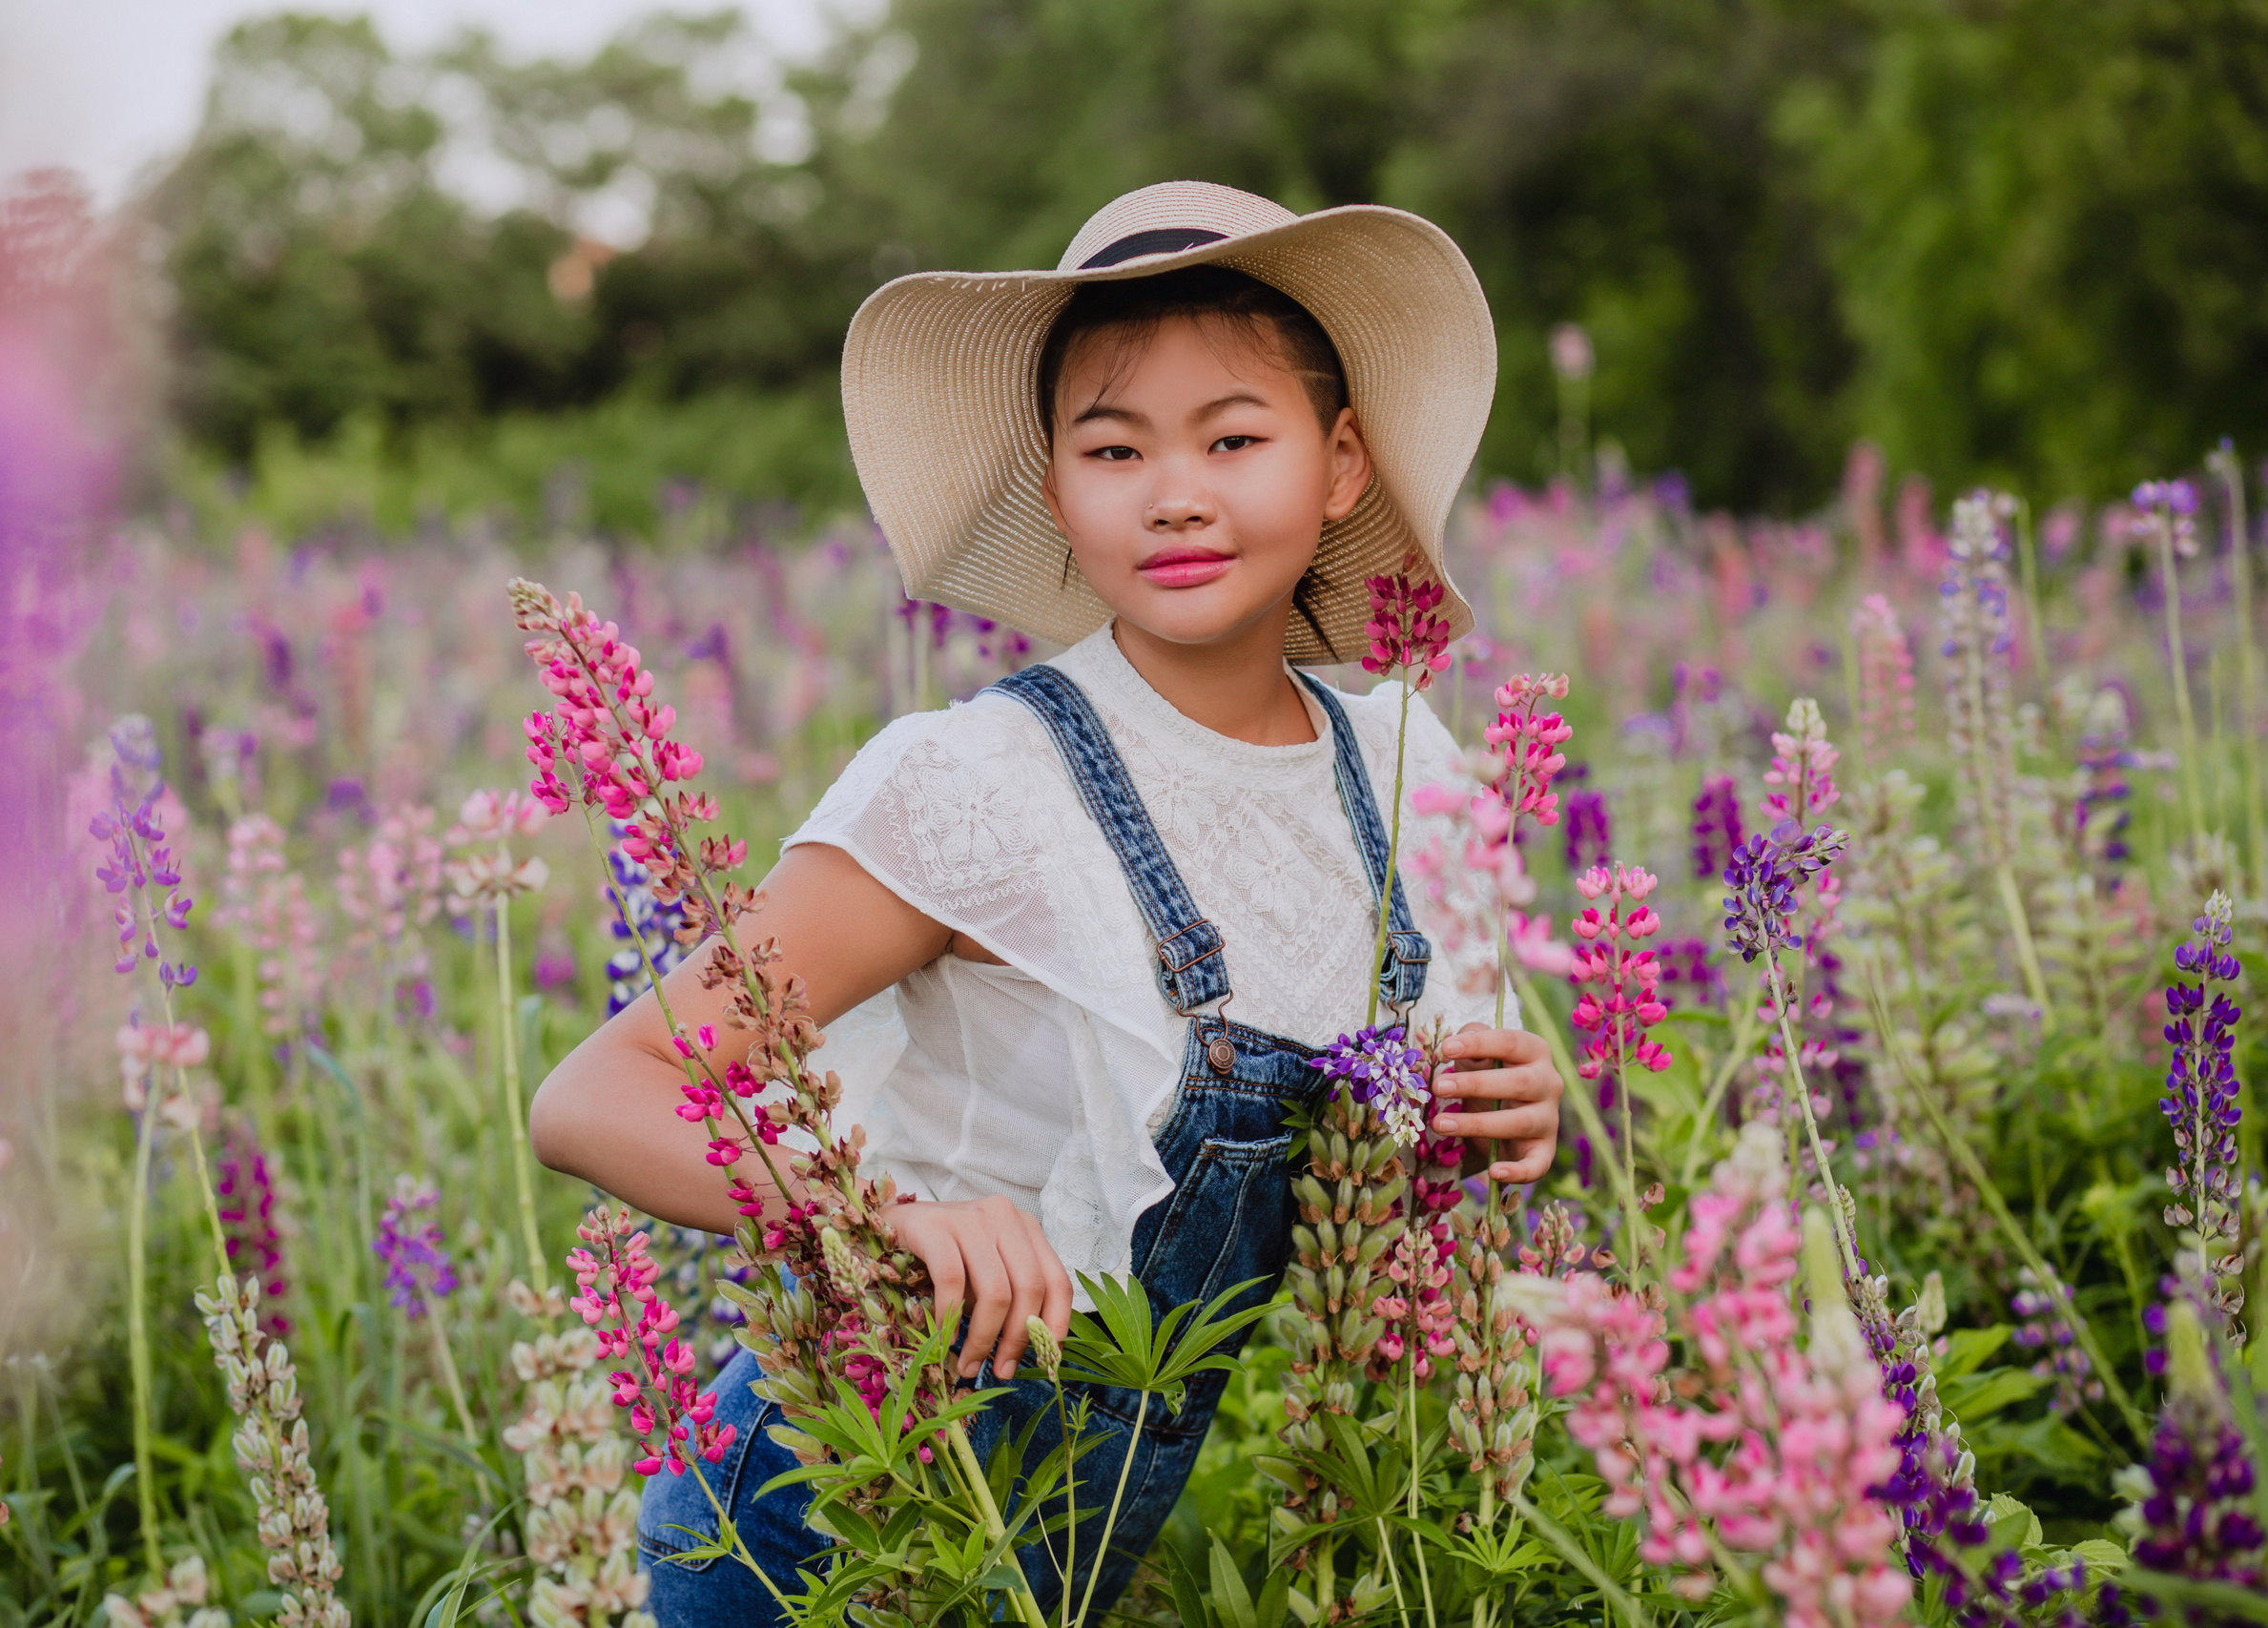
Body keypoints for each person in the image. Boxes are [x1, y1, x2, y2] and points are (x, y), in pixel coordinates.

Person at [527, 179, 1566, 1622]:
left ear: (1340, 464)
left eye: (1234, 436)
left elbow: (1419, 1121)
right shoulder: (983, 783)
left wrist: (1520, 1107)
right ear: (1057, 488)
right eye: (1114, 445)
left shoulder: (1405, 767)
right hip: (835, 1516)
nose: (1177, 489)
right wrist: (874, 1215)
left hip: (1076, 1534)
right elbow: (594, 1096)